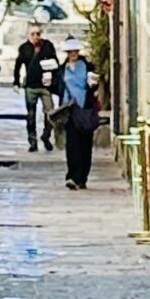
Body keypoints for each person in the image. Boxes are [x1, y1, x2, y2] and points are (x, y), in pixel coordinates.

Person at [56, 37, 104, 188]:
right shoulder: (62, 69)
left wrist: (93, 84)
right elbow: (58, 87)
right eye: (70, 51)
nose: (73, 54)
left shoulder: (87, 67)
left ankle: (82, 177)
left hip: (85, 110)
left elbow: (93, 86)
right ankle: (72, 176)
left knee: (85, 145)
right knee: (72, 145)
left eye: (75, 51)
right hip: (69, 110)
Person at [14, 25, 59, 152]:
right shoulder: (24, 48)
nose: (35, 37)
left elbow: (55, 63)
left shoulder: (47, 46)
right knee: (31, 115)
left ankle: (46, 136)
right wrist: (16, 82)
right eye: (33, 34)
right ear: (29, 35)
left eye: (38, 34)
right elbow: (18, 66)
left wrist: (54, 79)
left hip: (45, 86)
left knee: (50, 113)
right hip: (31, 86)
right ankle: (32, 141)